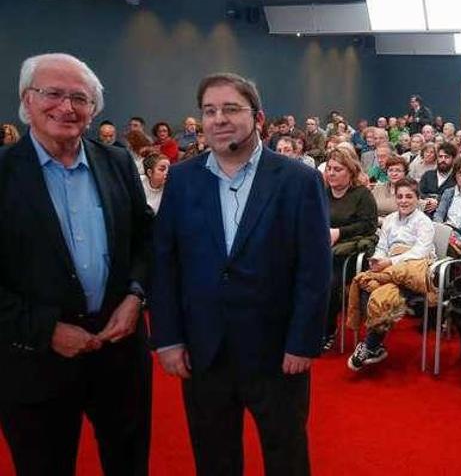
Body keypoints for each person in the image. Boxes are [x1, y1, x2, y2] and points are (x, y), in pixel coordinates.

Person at [150, 72, 331, 475]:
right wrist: (167, 337)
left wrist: (303, 342)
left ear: (259, 117)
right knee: (214, 458)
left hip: (277, 352)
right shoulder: (182, 179)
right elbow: (165, 263)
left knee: (286, 455)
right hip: (204, 350)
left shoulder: (299, 180)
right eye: (209, 111)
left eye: (231, 109)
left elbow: (314, 269)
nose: (218, 119)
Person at [0, 53, 152, 475]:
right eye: (53, 94)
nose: (67, 107)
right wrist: (46, 328)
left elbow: (145, 240)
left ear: (93, 109)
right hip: (33, 360)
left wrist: (137, 296)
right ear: (26, 101)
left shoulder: (118, 162)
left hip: (119, 351)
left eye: (79, 98)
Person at [345, 177, 436, 371]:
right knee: (365, 284)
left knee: (383, 296)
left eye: (409, 197)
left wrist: (390, 262)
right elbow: (382, 246)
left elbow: (419, 252)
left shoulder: (424, 222)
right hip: (390, 266)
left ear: (417, 198)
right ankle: (374, 345)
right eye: (400, 197)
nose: (404, 201)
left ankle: (370, 345)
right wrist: (378, 260)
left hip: (413, 269)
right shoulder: (390, 220)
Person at [323, 147, 379, 351]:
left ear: (350, 172)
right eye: (329, 168)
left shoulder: (362, 195)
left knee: (328, 282)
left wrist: (339, 232)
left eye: (337, 169)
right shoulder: (323, 193)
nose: (331, 173)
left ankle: (327, 329)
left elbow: (369, 225)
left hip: (349, 254)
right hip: (321, 247)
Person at [418, 141, 457, 215]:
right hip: (425, 212)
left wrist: (438, 202)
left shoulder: (456, 178)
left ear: (453, 159)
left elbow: (456, 198)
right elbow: (419, 192)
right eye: (440, 156)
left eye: (446, 157)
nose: (443, 160)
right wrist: (429, 201)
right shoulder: (428, 175)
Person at [371, 155, 409, 220]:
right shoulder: (377, 188)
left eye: (398, 171)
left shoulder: (410, 190)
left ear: (405, 173)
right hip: (376, 225)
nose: (394, 174)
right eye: (390, 170)